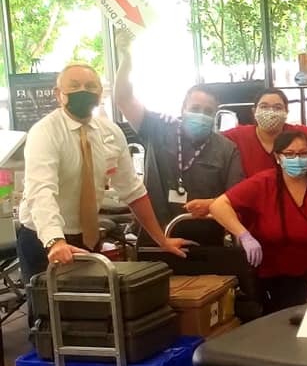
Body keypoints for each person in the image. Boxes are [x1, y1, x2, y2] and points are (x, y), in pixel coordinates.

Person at [17, 63, 190, 321]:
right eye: (73, 86)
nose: (83, 92)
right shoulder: (45, 132)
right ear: (58, 94)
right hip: (44, 239)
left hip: (86, 238)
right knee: (47, 319)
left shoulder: (110, 133)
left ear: (101, 94)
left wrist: (160, 238)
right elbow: (41, 191)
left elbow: (133, 191)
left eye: (90, 86)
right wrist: (55, 240)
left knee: (90, 315)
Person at [115, 40, 245, 245]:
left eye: (208, 112)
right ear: (183, 108)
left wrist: (212, 204)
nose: (201, 115)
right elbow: (123, 99)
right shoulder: (157, 127)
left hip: (206, 241)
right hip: (156, 238)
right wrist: (126, 60)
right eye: (195, 108)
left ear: (215, 115)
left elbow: (236, 197)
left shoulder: (226, 149)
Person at [209, 131, 307, 314]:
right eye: (290, 154)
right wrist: (244, 235)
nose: (297, 159)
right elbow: (218, 206)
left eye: (303, 153)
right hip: (270, 277)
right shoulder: (263, 183)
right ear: (277, 157)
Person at [223, 88, 307, 177]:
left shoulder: (300, 135)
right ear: (254, 111)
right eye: (264, 107)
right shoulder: (237, 136)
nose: (271, 112)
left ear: (286, 112)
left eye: (278, 107)